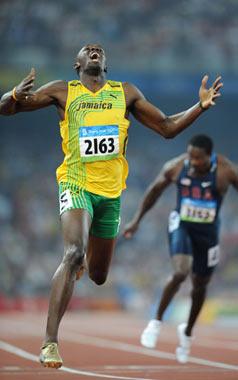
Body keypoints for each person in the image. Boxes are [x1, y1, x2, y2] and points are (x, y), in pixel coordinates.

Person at [0, 44, 222, 369]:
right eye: (86, 50)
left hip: (111, 194)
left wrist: (199, 107)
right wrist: (14, 95)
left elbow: (166, 127)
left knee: (99, 275)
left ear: (106, 64)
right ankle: (50, 342)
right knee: (73, 252)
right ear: (77, 65)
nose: (93, 50)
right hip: (76, 183)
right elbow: (5, 109)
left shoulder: (126, 93)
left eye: (98, 50)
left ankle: (80, 263)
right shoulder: (63, 91)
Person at [123, 134, 238, 363]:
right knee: (179, 272)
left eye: (198, 159)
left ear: (210, 157)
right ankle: (155, 322)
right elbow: (154, 192)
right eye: (190, 157)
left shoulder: (226, 171)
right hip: (181, 225)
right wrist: (136, 220)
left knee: (200, 285)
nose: (193, 163)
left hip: (208, 233)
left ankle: (186, 333)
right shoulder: (176, 167)